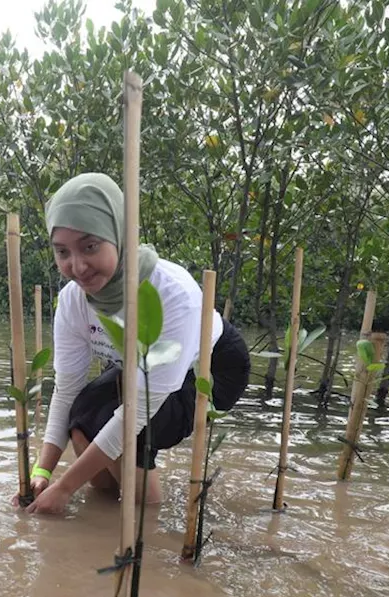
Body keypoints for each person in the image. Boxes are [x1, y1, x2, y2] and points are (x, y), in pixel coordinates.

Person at [15, 172, 250, 515]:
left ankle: (147, 518)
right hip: (134, 367)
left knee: (135, 433)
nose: (77, 266)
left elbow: (136, 414)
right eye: (63, 252)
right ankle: (111, 512)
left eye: (90, 246)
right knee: (82, 416)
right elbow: (66, 391)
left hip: (211, 364)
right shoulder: (73, 301)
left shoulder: (172, 293)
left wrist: (65, 489)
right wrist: (42, 472)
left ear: (120, 236)